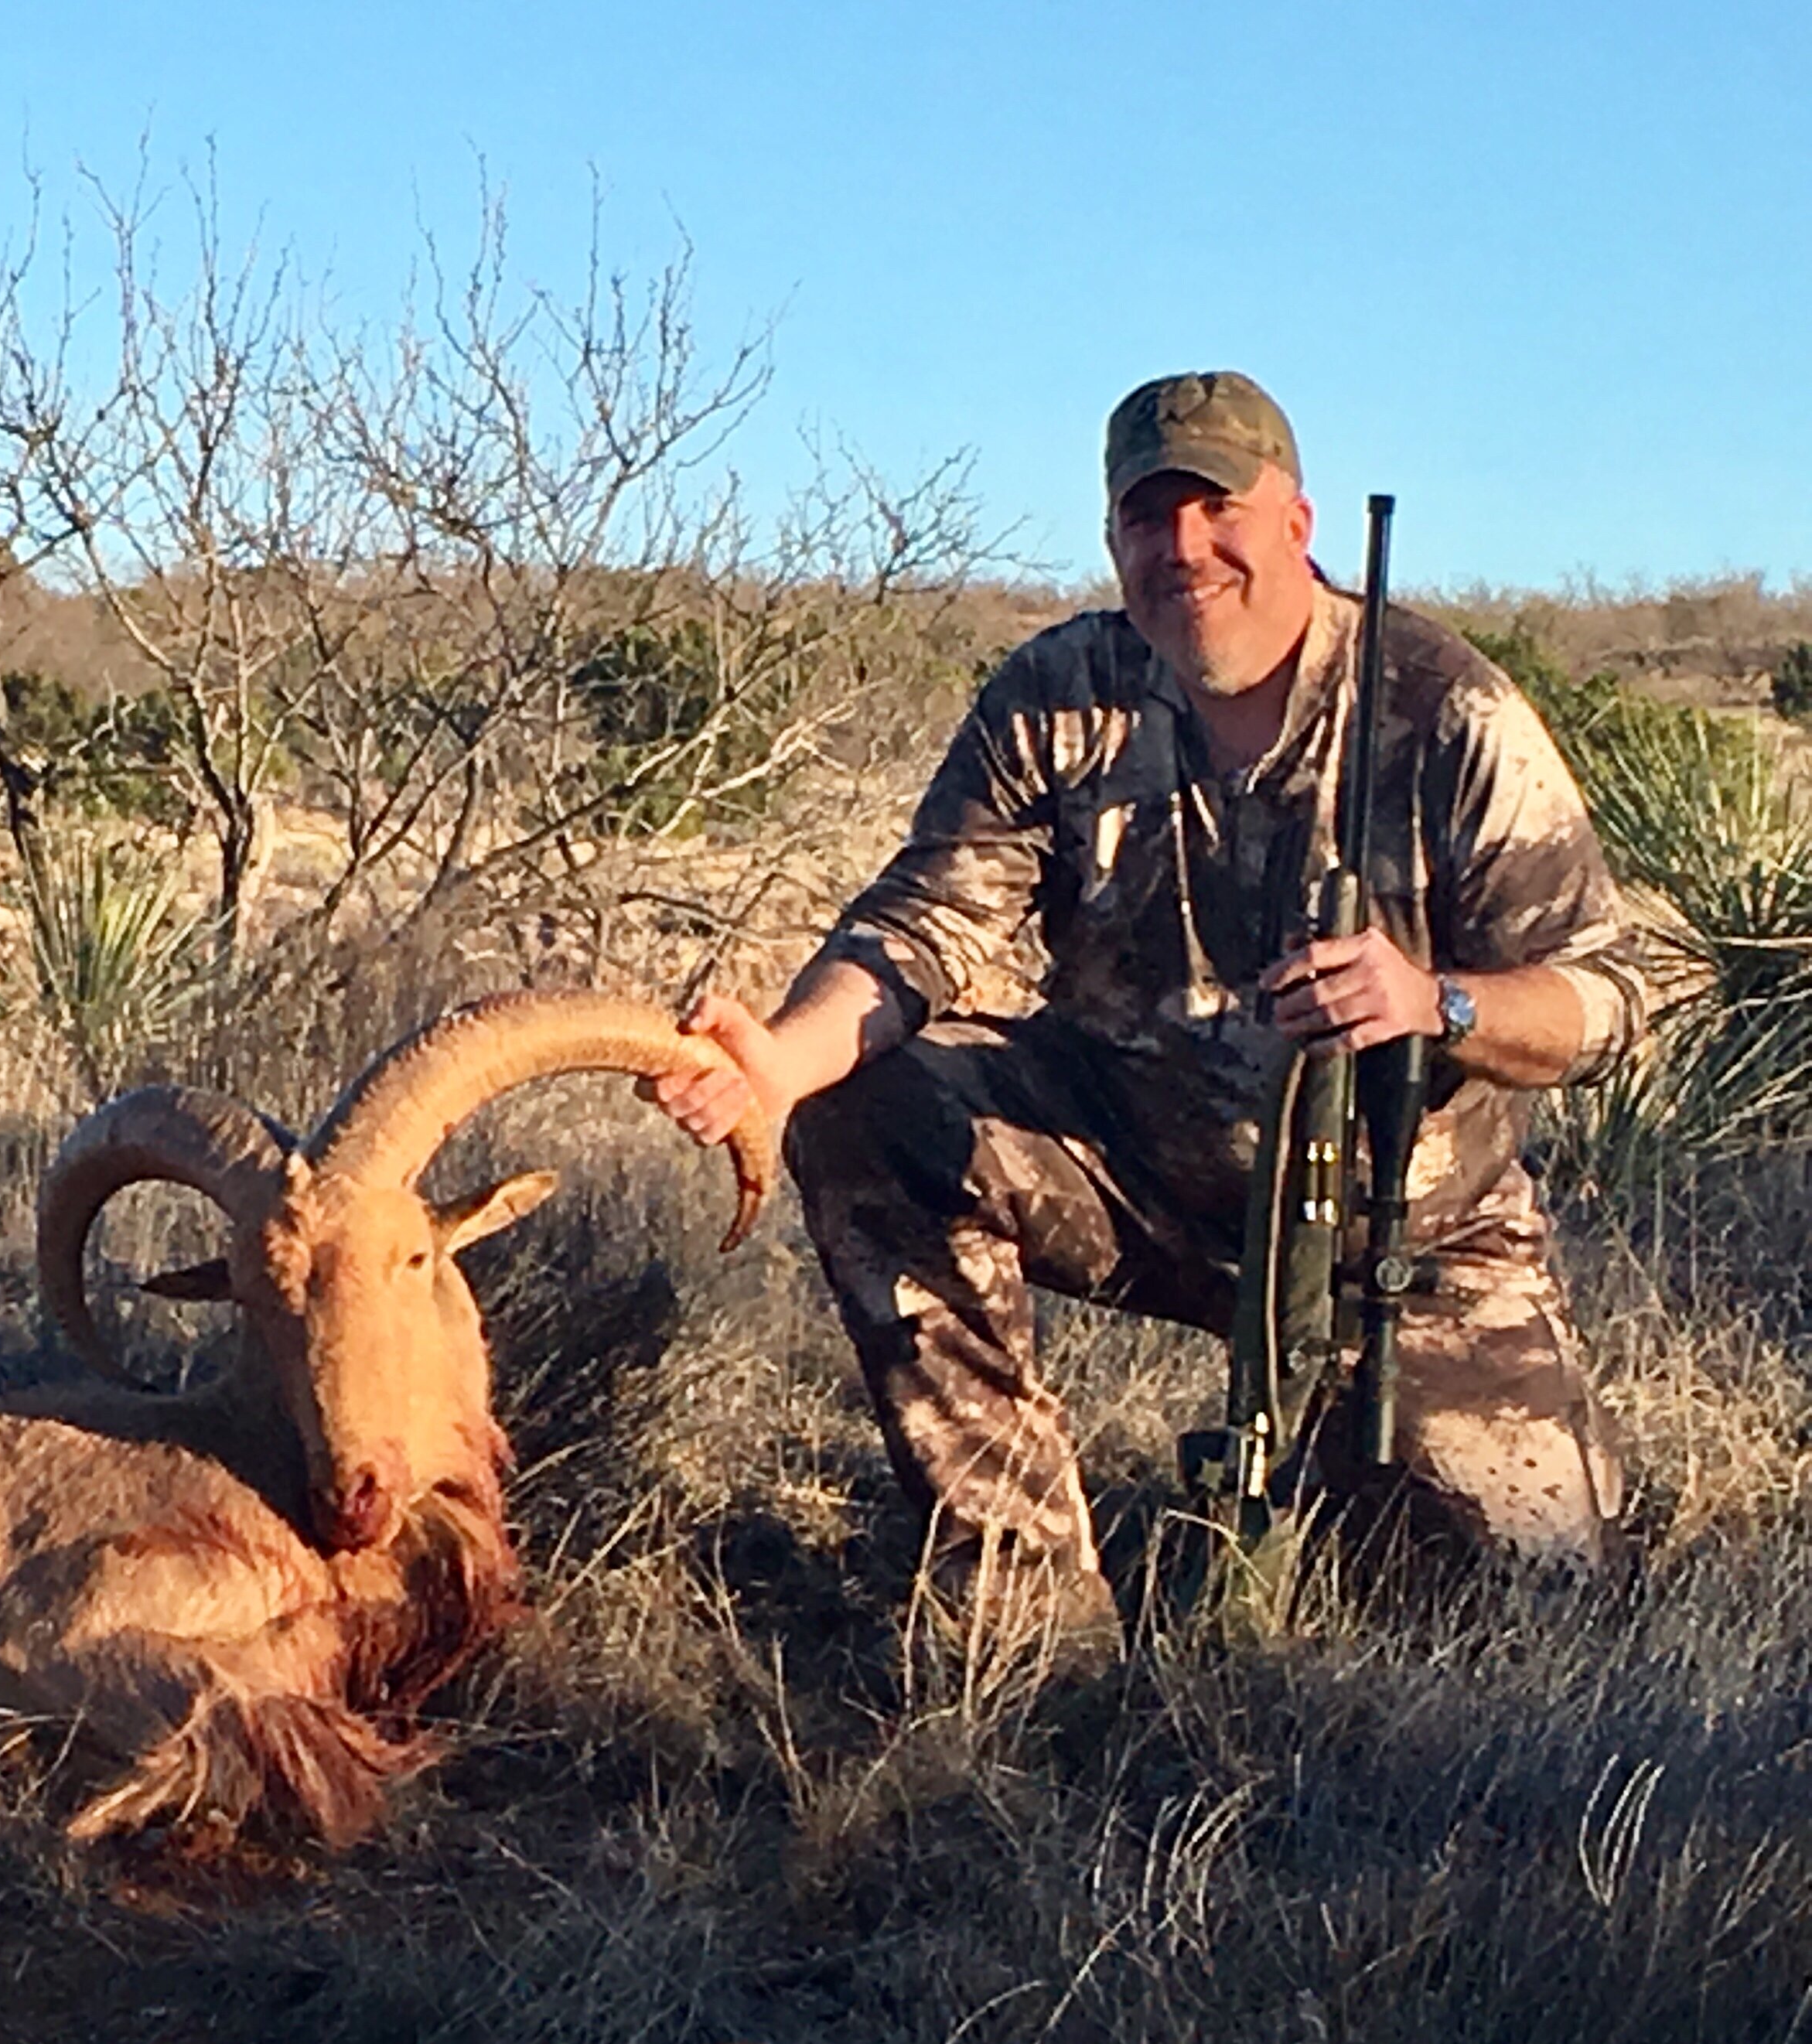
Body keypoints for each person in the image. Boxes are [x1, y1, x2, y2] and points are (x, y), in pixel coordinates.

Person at [650, 371, 1646, 1650]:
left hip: (1404, 1246)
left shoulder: (1447, 708)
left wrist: (1432, 999)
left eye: (1214, 508)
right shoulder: (1054, 690)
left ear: (1294, 522)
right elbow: (923, 922)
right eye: (1144, 516)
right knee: (869, 1105)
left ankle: (1353, 1467)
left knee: (1532, 1612)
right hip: (1137, 1176)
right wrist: (781, 1061)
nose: (1182, 548)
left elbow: (1607, 996)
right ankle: (1021, 1610)